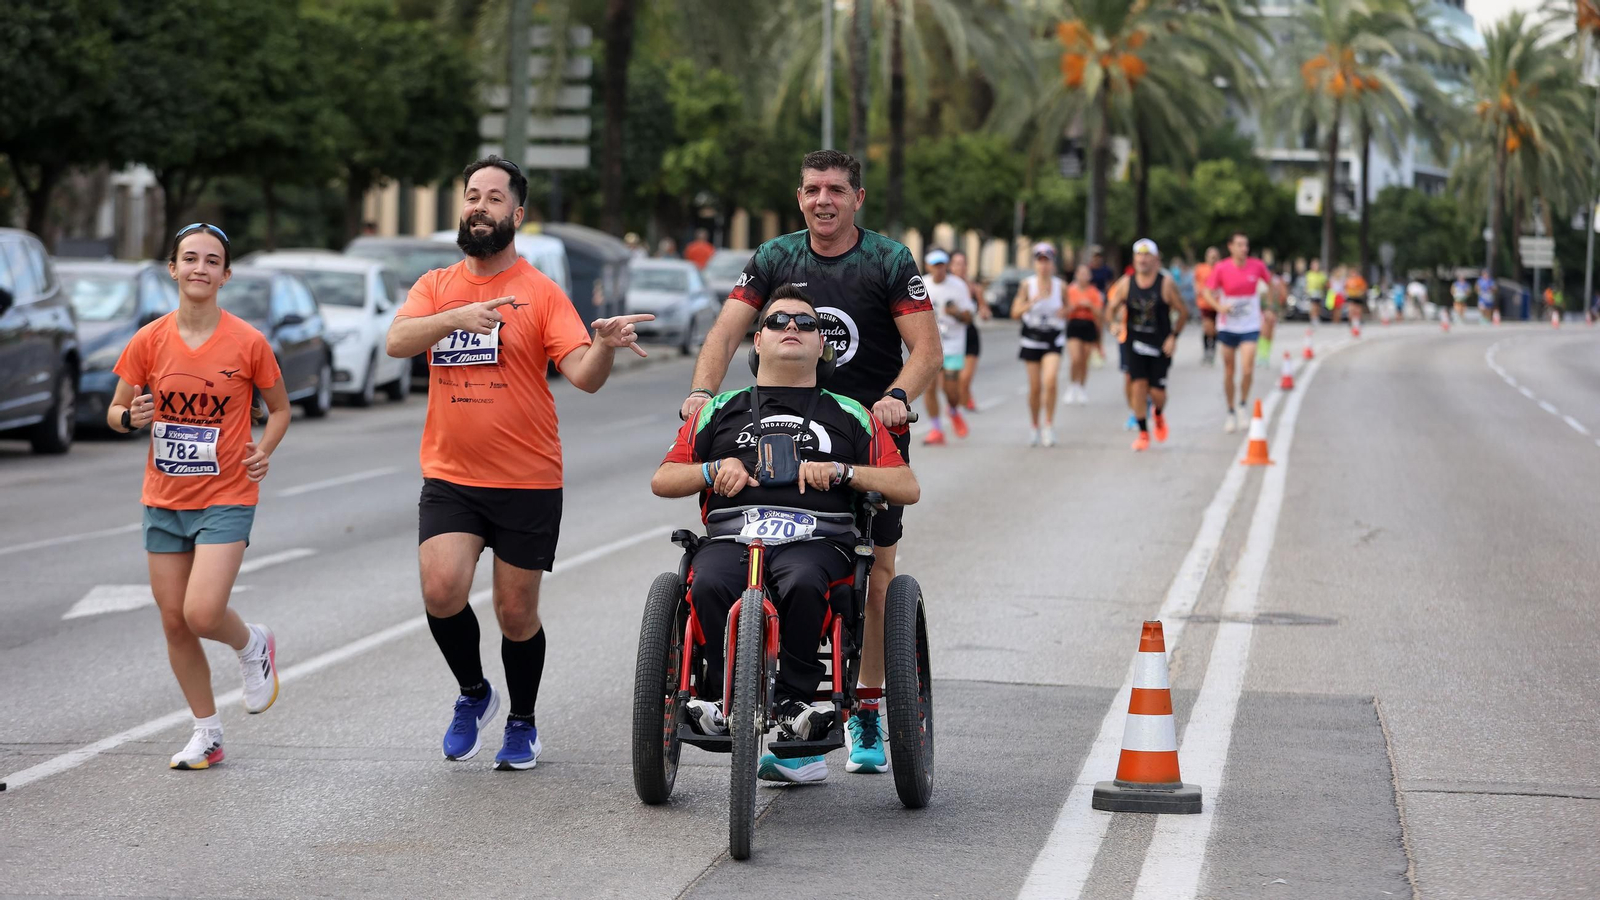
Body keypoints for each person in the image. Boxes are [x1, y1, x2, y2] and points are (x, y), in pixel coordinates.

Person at [385, 156, 654, 771]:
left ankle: (523, 722)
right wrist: (455, 317)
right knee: (441, 590)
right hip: (451, 475)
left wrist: (604, 346)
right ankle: (474, 692)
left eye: (494, 198)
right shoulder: (436, 285)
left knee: (515, 611)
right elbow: (398, 341)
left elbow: (583, 375)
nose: (479, 207)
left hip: (527, 479)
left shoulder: (540, 291)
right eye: (472, 196)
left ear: (517, 213)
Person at [678, 149, 939, 777]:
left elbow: (926, 350)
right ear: (800, 197)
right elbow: (726, 332)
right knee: (748, 554)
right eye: (813, 189)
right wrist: (701, 394)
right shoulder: (775, 257)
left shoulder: (887, 260)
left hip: (862, 431)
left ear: (857, 198)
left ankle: (865, 707)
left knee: (875, 575)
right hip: (773, 419)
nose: (824, 200)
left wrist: (896, 398)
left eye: (836, 190)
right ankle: (749, 690)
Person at [653, 286, 919, 784]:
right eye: (777, 322)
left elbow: (906, 485)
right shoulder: (719, 408)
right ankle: (718, 696)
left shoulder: (852, 413)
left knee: (803, 580)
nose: (791, 327)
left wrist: (843, 472)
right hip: (734, 536)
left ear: (822, 346)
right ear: (757, 342)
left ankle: (796, 701)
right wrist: (713, 470)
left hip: (817, 539)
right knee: (706, 582)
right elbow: (663, 479)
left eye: (805, 323)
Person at [107, 223, 291, 770]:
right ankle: (206, 733)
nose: (200, 268)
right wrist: (130, 417)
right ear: (173, 268)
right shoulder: (149, 339)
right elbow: (115, 410)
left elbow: (280, 409)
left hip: (227, 494)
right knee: (174, 621)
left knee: (203, 612)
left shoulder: (247, 342)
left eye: (212, 261)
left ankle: (251, 644)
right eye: (190, 258)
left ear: (226, 275)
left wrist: (264, 449)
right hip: (163, 498)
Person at [1107, 238, 1188, 451]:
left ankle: (1158, 414)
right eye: (1139, 255)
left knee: (1158, 393)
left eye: (1147, 255)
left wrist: (1173, 336)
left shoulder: (1165, 283)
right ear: (1134, 259)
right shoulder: (1126, 283)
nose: (1143, 259)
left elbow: (1183, 312)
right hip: (1134, 344)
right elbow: (1110, 308)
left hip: (1160, 345)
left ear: (1155, 259)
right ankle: (1143, 433)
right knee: (1138, 387)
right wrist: (1113, 325)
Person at [1203, 231, 1277, 433]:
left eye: (1246, 245)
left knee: (1247, 369)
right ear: (1231, 247)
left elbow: (1271, 284)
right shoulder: (1221, 267)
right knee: (1229, 371)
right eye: (1240, 245)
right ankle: (1230, 410)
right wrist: (1219, 307)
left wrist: (1270, 308)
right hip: (1228, 326)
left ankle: (1243, 404)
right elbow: (1207, 292)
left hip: (1250, 325)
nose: (1244, 249)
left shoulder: (1257, 265)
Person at [1012, 243, 1067, 447]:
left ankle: (1049, 426)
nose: (1043, 265)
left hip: (1053, 338)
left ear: (1053, 264)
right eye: (1040, 261)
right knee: (1035, 388)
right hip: (1032, 339)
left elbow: (1069, 308)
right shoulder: (1027, 285)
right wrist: (1031, 303)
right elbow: (1014, 312)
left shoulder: (1061, 286)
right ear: (1035, 264)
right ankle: (1034, 426)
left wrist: (1065, 312)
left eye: (1047, 261)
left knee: (1050, 381)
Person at [920, 249, 974, 444]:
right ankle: (936, 429)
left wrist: (956, 313)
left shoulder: (958, 286)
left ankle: (952, 410)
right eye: (935, 265)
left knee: (951, 391)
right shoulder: (921, 284)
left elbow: (969, 318)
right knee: (929, 388)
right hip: (929, 345)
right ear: (928, 266)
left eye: (942, 265)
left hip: (953, 345)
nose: (939, 269)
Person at [948, 250, 990, 412]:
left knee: (965, 378)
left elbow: (984, 309)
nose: (960, 267)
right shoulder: (946, 287)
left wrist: (984, 313)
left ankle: (961, 402)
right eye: (957, 264)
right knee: (954, 379)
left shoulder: (973, 288)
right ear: (951, 266)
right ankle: (959, 404)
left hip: (969, 335)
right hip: (951, 336)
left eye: (963, 264)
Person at [1063, 264, 1104, 405]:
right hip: (1074, 324)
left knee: (1084, 360)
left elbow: (1100, 313)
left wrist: (1090, 305)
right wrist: (1073, 307)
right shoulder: (1070, 290)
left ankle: (1081, 387)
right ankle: (1072, 385)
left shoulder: (1094, 292)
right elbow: (1063, 310)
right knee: (1075, 358)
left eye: (1086, 274)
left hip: (1088, 325)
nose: (1083, 277)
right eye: (1081, 273)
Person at [1193, 247, 1220, 364]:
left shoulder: (1220, 268)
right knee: (1207, 327)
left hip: (1218, 304)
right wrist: (1198, 290)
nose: (1213, 259)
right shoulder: (1201, 268)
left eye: (1215, 257)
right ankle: (1206, 351)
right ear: (1207, 257)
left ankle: (1212, 350)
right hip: (1204, 303)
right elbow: (1196, 282)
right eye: (1211, 257)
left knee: (1215, 329)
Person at [1344, 267, 1369, 333]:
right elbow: (1345, 288)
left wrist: (1361, 292)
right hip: (1351, 296)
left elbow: (1364, 288)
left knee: (1358, 310)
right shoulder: (1348, 280)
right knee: (1351, 310)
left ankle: (1358, 322)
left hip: (1358, 297)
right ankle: (1351, 323)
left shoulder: (1360, 280)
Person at [1304, 259, 1328, 324]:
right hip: (1312, 293)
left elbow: (1325, 283)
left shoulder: (1321, 274)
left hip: (1319, 292)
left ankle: (1317, 317)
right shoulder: (1309, 274)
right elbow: (1306, 283)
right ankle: (1313, 318)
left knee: (1318, 306)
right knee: (1313, 306)